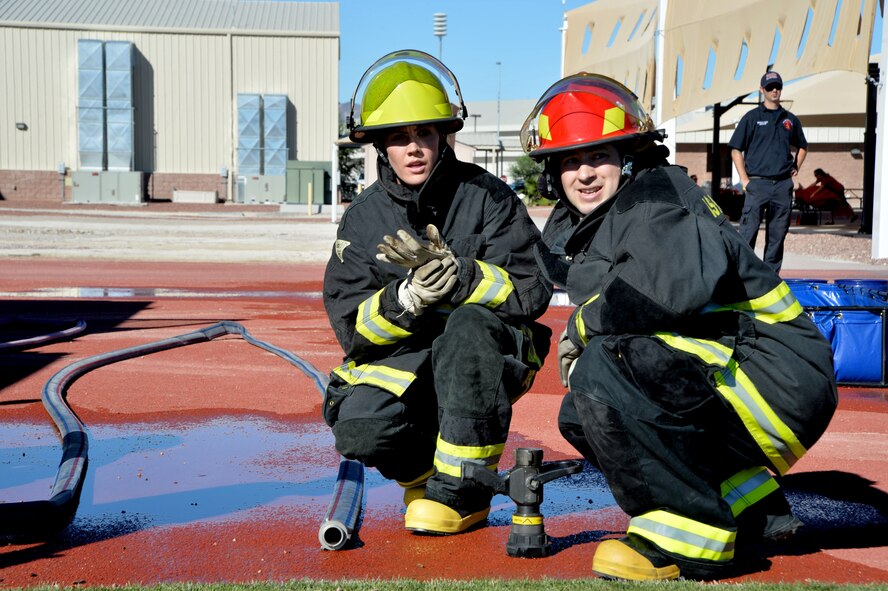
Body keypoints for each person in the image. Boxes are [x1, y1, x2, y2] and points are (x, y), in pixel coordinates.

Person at [521, 73, 837, 580]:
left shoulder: (656, 203)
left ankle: (684, 533)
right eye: (570, 161)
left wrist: (582, 326)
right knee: (580, 412)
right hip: (757, 375)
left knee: (607, 366)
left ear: (629, 158)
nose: (584, 173)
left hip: (771, 380)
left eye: (598, 157)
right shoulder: (630, 206)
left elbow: (655, 295)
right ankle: (752, 502)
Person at [322, 50, 552, 535]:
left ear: (443, 135)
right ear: (380, 145)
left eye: (424, 133)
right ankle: (429, 473)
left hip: (485, 352)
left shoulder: (488, 197)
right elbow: (353, 330)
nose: (414, 148)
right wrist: (405, 299)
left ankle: (464, 494)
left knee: (467, 326)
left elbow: (532, 290)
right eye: (399, 137)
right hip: (412, 356)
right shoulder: (363, 219)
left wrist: (463, 277)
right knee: (360, 426)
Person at [729, 71, 808, 273]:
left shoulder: (790, 119)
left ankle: (771, 281)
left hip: (782, 186)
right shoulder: (752, 118)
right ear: (762, 90)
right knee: (748, 233)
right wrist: (745, 180)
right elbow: (735, 149)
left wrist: (795, 166)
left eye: (778, 87)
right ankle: (743, 279)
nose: (775, 91)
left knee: (777, 235)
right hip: (757, 184)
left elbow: (802, 146)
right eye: (770, 87)